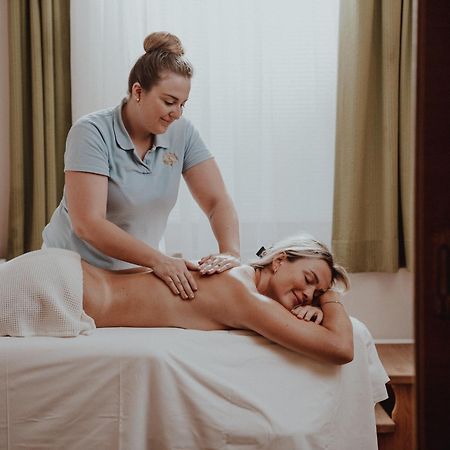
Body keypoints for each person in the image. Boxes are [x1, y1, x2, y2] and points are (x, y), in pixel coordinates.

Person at [42, 31, 240, 300]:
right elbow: (88, 223)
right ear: (138, 91)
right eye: (169, 102)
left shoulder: (181, 132)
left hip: (138, 272)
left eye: (183, 104)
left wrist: (230, 253)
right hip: (74, 271)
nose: (177, 113)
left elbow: (217, 201)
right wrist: (159, 260)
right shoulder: (91, 132)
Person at [0, 233, 353, 365]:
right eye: (310, 280)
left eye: (317, 293)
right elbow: (339, 349)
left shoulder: (233, 275)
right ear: (279, 261)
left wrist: (316, 301)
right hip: (58, 291)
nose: (309, 294)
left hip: (61, 275)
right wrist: (333, 298)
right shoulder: (241, 296)